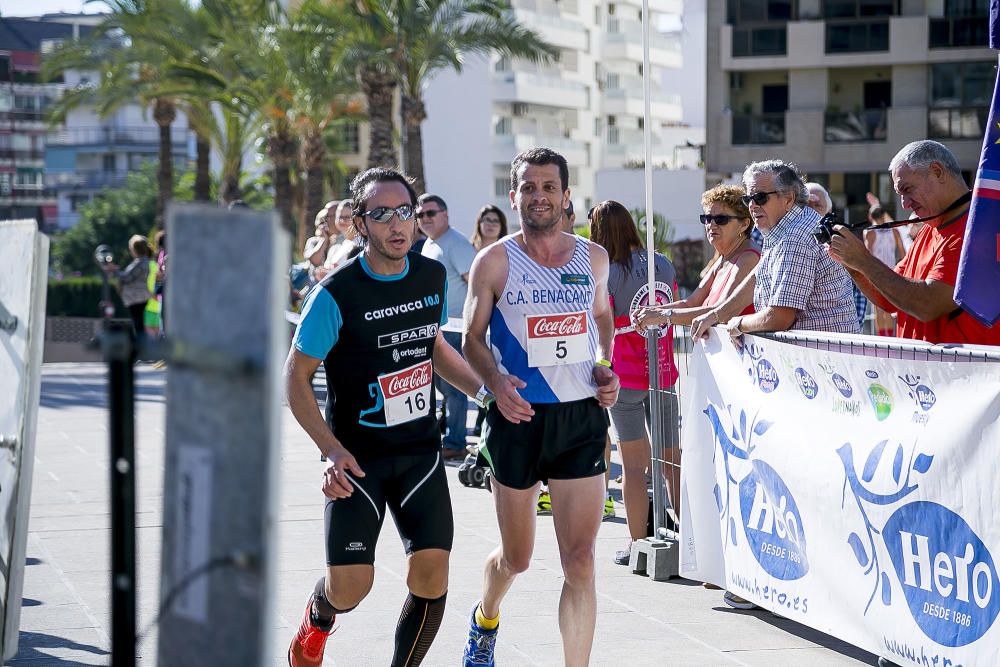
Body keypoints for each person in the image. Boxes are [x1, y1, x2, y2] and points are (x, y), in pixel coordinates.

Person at [284, 167, 484, 667]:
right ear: (359, 223)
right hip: (358, 460)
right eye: (381, 214)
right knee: (352, 587)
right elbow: (295, 377)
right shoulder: (336, 294)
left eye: (405, 212)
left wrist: (488, 393)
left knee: (432, 574)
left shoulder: (431, 275)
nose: (397, 224)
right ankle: (318, 616)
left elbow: (431, 345)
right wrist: (330, 449)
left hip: (419, 451)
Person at [462, 147, 620, 667]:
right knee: (518, 558)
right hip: (518, 417)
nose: (539, 196)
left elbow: (602, 318)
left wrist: (602, 364)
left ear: (566, 195)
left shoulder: (591, 258)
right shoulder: (496, 261)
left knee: (580, 561)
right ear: (514, 196)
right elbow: (471, 338)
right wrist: (494, 383)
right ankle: (485, 617)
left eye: (548, 187)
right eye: (528, 187)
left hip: (579, 418)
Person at [828, 140, 1000, 346]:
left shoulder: (979, 231)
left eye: (907, 189)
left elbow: (927, 304)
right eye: (900, 195)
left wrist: (863, 261)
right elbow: (890, 297)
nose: (905, 203)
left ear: (938, 172)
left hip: (964, 375)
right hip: (926, 375)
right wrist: (853, 266)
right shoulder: (930, 229)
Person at [589, 199, 679, 565]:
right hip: (662, 370)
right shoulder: (664, 264)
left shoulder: (605, 272)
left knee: (634, 468)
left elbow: (602, 324)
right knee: (672, 461)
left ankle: (637, 543)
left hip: (624, 377)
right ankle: (688, 538)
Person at [691, 160, 858, 341]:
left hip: (823, 359)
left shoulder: (795, 237)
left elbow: (779, 317)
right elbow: (757, 277)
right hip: (818, 357)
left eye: (760, 198)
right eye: (748, 199)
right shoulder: (787, 228)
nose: (752, 206)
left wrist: (738, 324)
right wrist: (717, 315)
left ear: (788, 199)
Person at [418, 193, 479, 459]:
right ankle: (448, 435)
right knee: (441, 387)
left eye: (430, 213)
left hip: (454, 328)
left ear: (445, 215)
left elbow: (476, 286)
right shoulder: (430, 244)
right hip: (435, 329)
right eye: (420, 215)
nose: (424, 219)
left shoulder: (457, 244)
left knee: (455, 389)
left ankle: (455, 442)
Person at [806, 181, 868, 332]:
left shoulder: (843, 243)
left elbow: (860, 290)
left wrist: (853, 325)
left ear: (829, 212)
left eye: (817, 206)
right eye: (806, 206)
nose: (811, 212)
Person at [101, 234, 154, 346]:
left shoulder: (141, 262)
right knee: (138, 323)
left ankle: (141, 348)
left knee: (138, 323)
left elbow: (127, 277)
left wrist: (114, 271)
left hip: (136, 297)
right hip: (137, 297)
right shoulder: (142, 261)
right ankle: (141, 348)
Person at [864, 206, 905, 336]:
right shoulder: (894, 231)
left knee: (879, 308)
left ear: (871, 217)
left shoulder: (870, 232)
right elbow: (904, 253)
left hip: (877, 274)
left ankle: (883, 337)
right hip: (891, 272)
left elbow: (867, 255)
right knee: (888, 307)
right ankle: (888, 336)